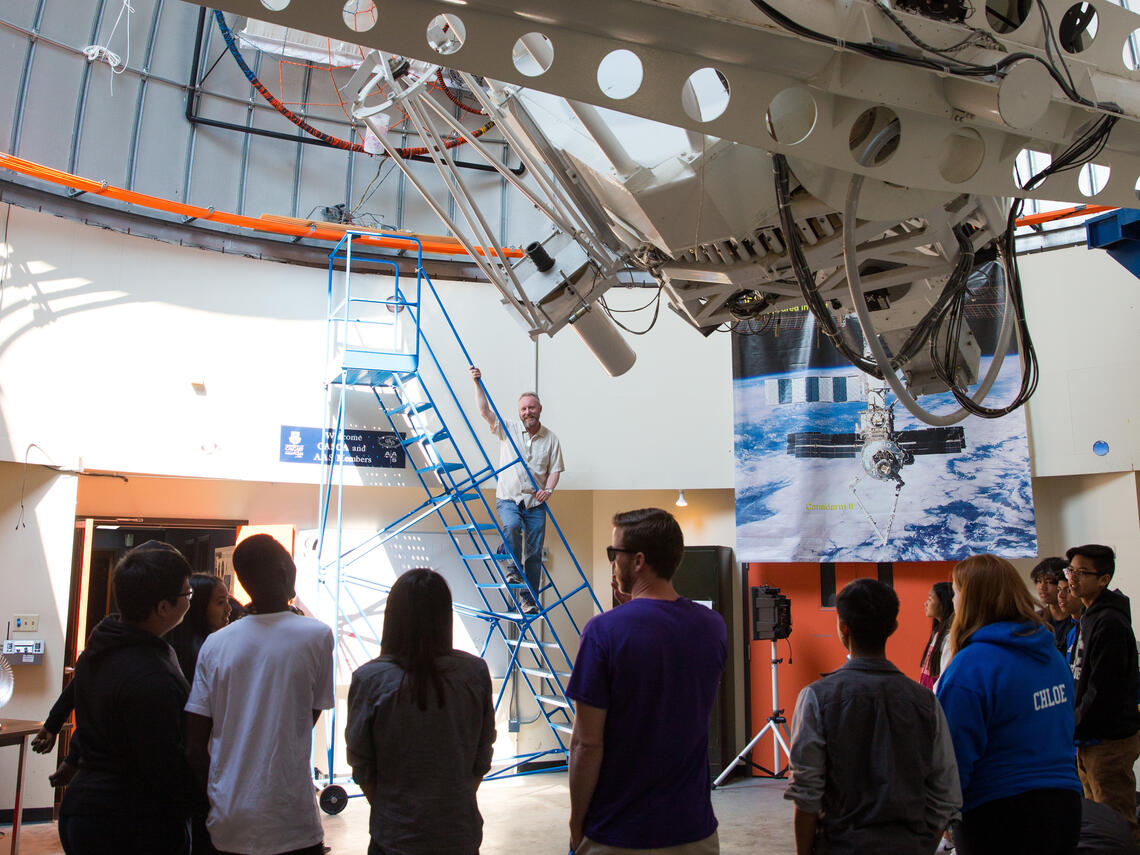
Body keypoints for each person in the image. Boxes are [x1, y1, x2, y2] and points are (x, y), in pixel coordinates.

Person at [566, 508, 726, 854]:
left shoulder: (602, 632)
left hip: (618, 833)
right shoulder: (712, 626)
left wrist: (576, 821)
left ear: (638, 560)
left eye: (614, 554)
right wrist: (635, 609)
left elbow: (586, 744)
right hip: (694, 831)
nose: (612, 562)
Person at [185, 534, 335, 855]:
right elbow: (304, 720)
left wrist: (215, 795)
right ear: (284, 571)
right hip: (290, 817)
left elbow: (195, 743)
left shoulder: (216, 644)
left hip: (229, 816)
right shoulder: (317, 635)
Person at [786, 578, 960, 855]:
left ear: (844, 629)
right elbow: (946, 794)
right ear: (893, 627)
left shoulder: (816, 699)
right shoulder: (926, 702)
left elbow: (806, 797)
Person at [58, 541, 199, 855]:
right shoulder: (150, 676)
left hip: (85, 806)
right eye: (187, 595)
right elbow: (161, 763)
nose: (190, 601)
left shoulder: (102, 644)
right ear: (163, 607)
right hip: (129, 821)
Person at [936, 554, 1082, 855]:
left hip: (998, 812)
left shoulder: (969, 668)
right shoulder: (1051, 656)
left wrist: (933, 827)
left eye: (955, 592)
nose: (954, 601)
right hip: (1065, 807)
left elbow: (951, 761)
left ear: (971, 599)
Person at [346, 568, 496, 855]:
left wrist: (398, 811)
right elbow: (483, 751)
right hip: (458, 833)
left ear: (393, 616)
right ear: (445, 617)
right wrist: (453, 799)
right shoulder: (474, 673)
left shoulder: (370, 679)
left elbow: (362, 764)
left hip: (393, 836)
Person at [470, 365, 564, 614]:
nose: (527, 412)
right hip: (509, 498)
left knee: (534, 554)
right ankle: (511, 566)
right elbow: (484, 411)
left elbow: (555, 470)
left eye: (531, 407)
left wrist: (549, 490)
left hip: (535, 504)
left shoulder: (551, 438)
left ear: (540, 409)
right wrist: (478, 383)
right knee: (511, 527)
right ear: (519, 412)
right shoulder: (509, 429)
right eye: (523, 408)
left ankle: (528, 599)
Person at [1065, 544, 1140, 841]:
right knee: (1097, 822)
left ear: (1103, 578)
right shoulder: (1089, 615)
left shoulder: (1109, 621)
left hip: (1109, 739)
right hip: (1089, 736)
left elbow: (1103, 689)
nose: (1072, 578)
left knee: (1117, 822)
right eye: (1071, 570)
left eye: (1082, 572)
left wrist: (1074, 724)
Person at [166, 573, 232, 681]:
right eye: (220, 602)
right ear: (200, 607)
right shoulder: (206, 653)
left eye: (227, 600)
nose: (228, 608)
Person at [919, 581, 954, 689]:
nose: (925, 603)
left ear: (943, 603)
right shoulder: (937, 634)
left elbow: (944, 678)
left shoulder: (949, 639)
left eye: (930, 599)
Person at [1033, 556, 1071, 655]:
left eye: (1049, 582)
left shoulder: (1077, 618)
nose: (1042, 587)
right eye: (1038, 581)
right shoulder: (1035, 619)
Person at [1055, 576, 1082, 664]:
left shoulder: (1090, 626)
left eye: (1068, 590)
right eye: (1059, 590)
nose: (1061, 595)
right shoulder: (1070, 629)